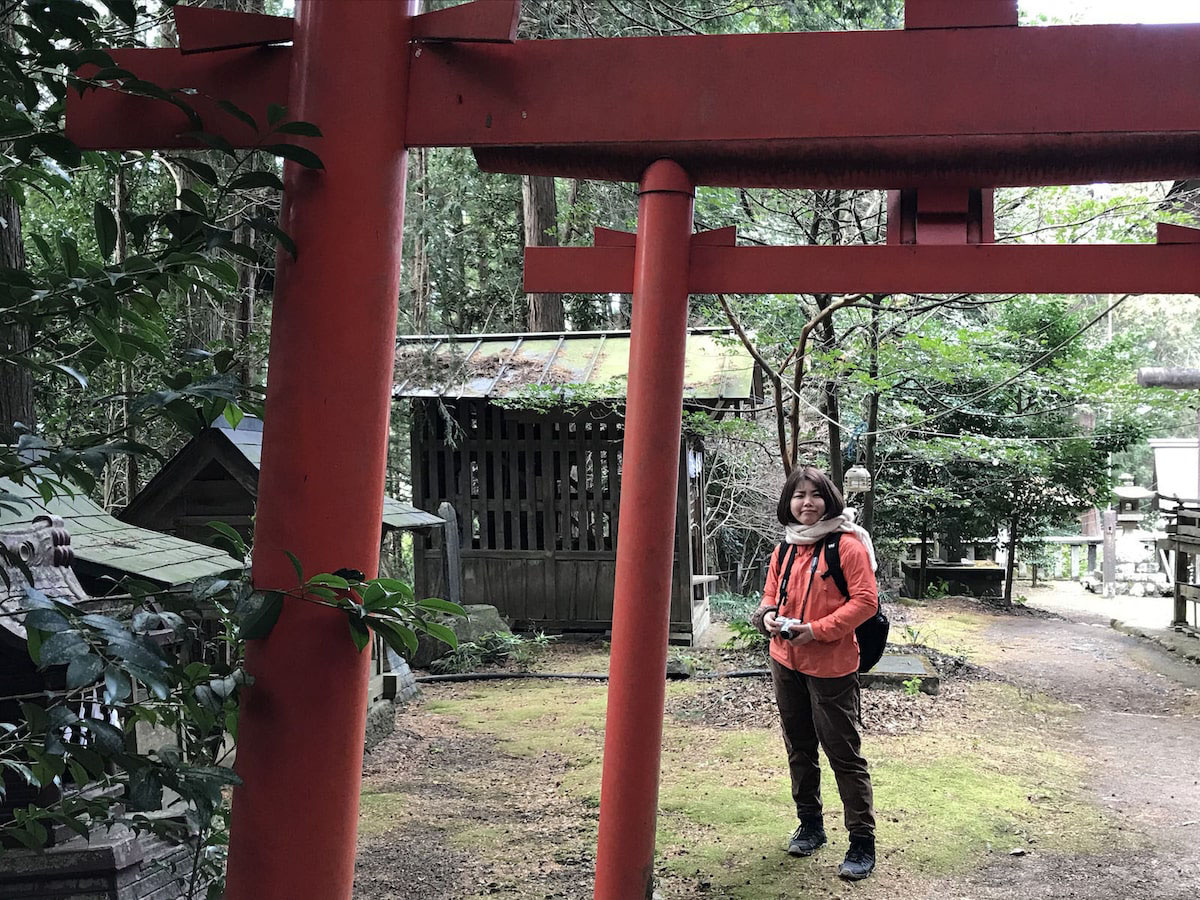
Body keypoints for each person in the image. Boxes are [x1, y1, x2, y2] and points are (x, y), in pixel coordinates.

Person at [750, 465, 880, 881]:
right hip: (785, 660)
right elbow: (772, 592)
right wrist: (768, 615)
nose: (807, 503)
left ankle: (861, 840)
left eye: (815, 495)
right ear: (788, 503)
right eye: (798, 495)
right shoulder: (785, 549)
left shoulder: (847, 546)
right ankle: (811, 825)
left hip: (832, 665)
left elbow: (865, 601)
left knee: (843, 753)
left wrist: (817, 631)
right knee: (799, 746)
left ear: (830, 499)